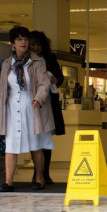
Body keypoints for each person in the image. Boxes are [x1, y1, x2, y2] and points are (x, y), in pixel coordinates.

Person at [0, 26, 54, 192]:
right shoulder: (7, 63)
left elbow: (44, 83)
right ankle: (8, 182)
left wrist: (39, 98)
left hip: (31, 106)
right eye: (19, 39)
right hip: (12, 108)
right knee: (11, 145)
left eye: (26, 39)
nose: (23, 42)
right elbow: (3, 88)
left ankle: (39, 178)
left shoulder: (36, 61)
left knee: (36, 143)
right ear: (12, 43)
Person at [29, 30, 66, 185]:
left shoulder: (50, 58)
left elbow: (61, 78)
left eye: (39, 44)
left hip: (49, 102)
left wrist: (56, 80)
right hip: (34, 102)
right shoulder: (26, 60)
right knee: (36, 139)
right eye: (33, 44)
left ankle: (45, 173)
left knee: (46, 139)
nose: (36, 47)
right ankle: (38, 173)